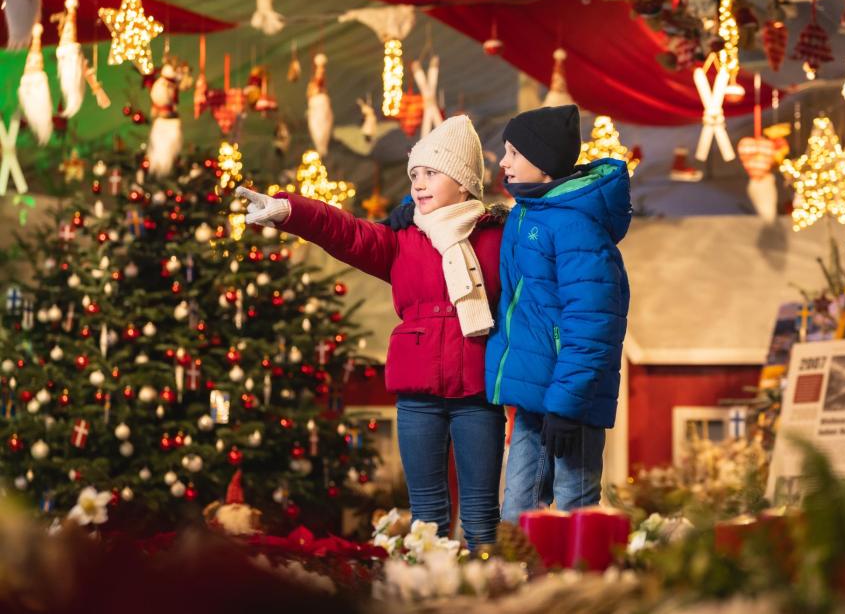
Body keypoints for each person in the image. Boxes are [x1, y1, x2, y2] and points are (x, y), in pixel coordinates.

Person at [237, 115, 506, 550]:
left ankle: (486, 583)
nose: (418, 184)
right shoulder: (400, 239)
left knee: (479, 511)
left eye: (431, 173)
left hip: (477, 392)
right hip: (418, 395)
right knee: (427, 512)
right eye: (414, 174)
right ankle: (428, 584)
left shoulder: (497, 237)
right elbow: (344, 231)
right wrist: (291, 211)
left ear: (463, 182)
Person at [387, 105, 632, 524]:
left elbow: (593, 325)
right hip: (533, 398)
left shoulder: (578, 228)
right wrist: (414, 209)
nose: (503, 162)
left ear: (543, 163)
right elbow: (466, 217)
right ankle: (524, 570)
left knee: (576, 510)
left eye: (514, 153)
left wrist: (567, 405)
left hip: (571, 402)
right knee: (518, 514)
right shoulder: (524, 215)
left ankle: (584, 571)